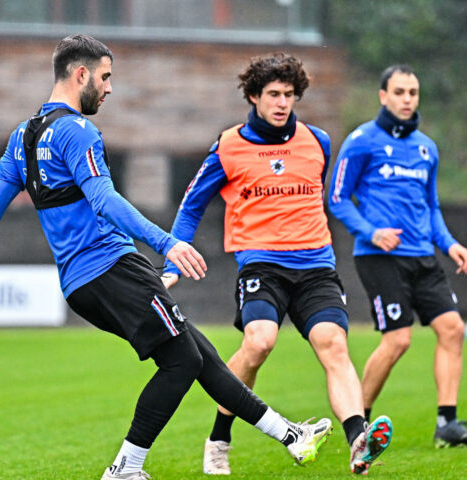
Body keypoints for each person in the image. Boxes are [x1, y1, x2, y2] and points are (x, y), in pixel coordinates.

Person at [0, 35, 333, 480]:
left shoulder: (23, 137)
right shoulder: (77, 131)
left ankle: (290, 436)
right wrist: (168, 244)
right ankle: (126, 467)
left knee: (197, 352)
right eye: (105, 77)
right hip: (113, 268)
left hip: (80, 285)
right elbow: (104, 199)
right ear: (80, 74)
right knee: (183, 360)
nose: (108, 88)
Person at [161, 53, 392, 475]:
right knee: (259, 342)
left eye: (289, 94)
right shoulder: (229, 145)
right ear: (254, 96)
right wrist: (173, 258)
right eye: (273, 94)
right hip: (262, 266)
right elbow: (192, 205)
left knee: (335, 345)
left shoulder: (318, 140)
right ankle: (219, 437)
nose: (282, 102)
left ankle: (358, 440)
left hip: (316, 265)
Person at [327, 64, 467, 449]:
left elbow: (430, 206)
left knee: (453, 329)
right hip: (380, 257)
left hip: (423, 257)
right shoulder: (361, 141)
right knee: (398, 340)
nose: (406, 100)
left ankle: (447, 424)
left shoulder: (426, 148)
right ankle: (360, 424)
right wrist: (371, 232)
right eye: (399, 92)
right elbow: (336, 199)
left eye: (412, 93)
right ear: (383, 96)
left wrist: (449, 243)